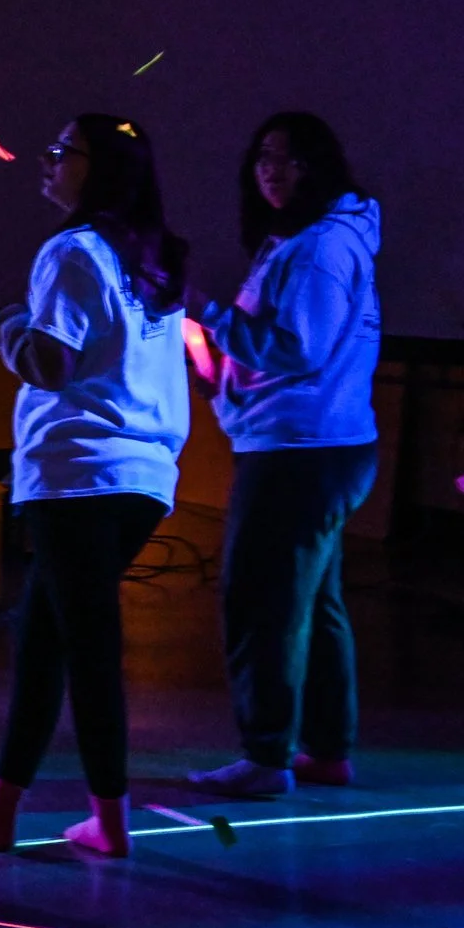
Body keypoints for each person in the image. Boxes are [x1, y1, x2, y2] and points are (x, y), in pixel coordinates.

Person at [0, 114, 189, 859]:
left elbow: (50, 364)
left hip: (79, 474)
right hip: (142, 475)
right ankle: (0, 805)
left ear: (97, 169)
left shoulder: (72, 251)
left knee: (88, 648)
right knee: (44, 641)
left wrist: (4, 324)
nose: (46, 159)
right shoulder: (153, 257)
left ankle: (110, 821)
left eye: (62, 151)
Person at [187, 113, 381, 798]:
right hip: (312, 446)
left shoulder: (323, 249)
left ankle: (267, 756)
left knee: (262, 600)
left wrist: (205, 312)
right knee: (312, 605)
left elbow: (298, 348)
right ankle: (325, 751)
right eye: (263, 155)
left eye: (289, 159)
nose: (272, 169)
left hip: (302, 451)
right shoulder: (302, 242)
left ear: (318, 167)